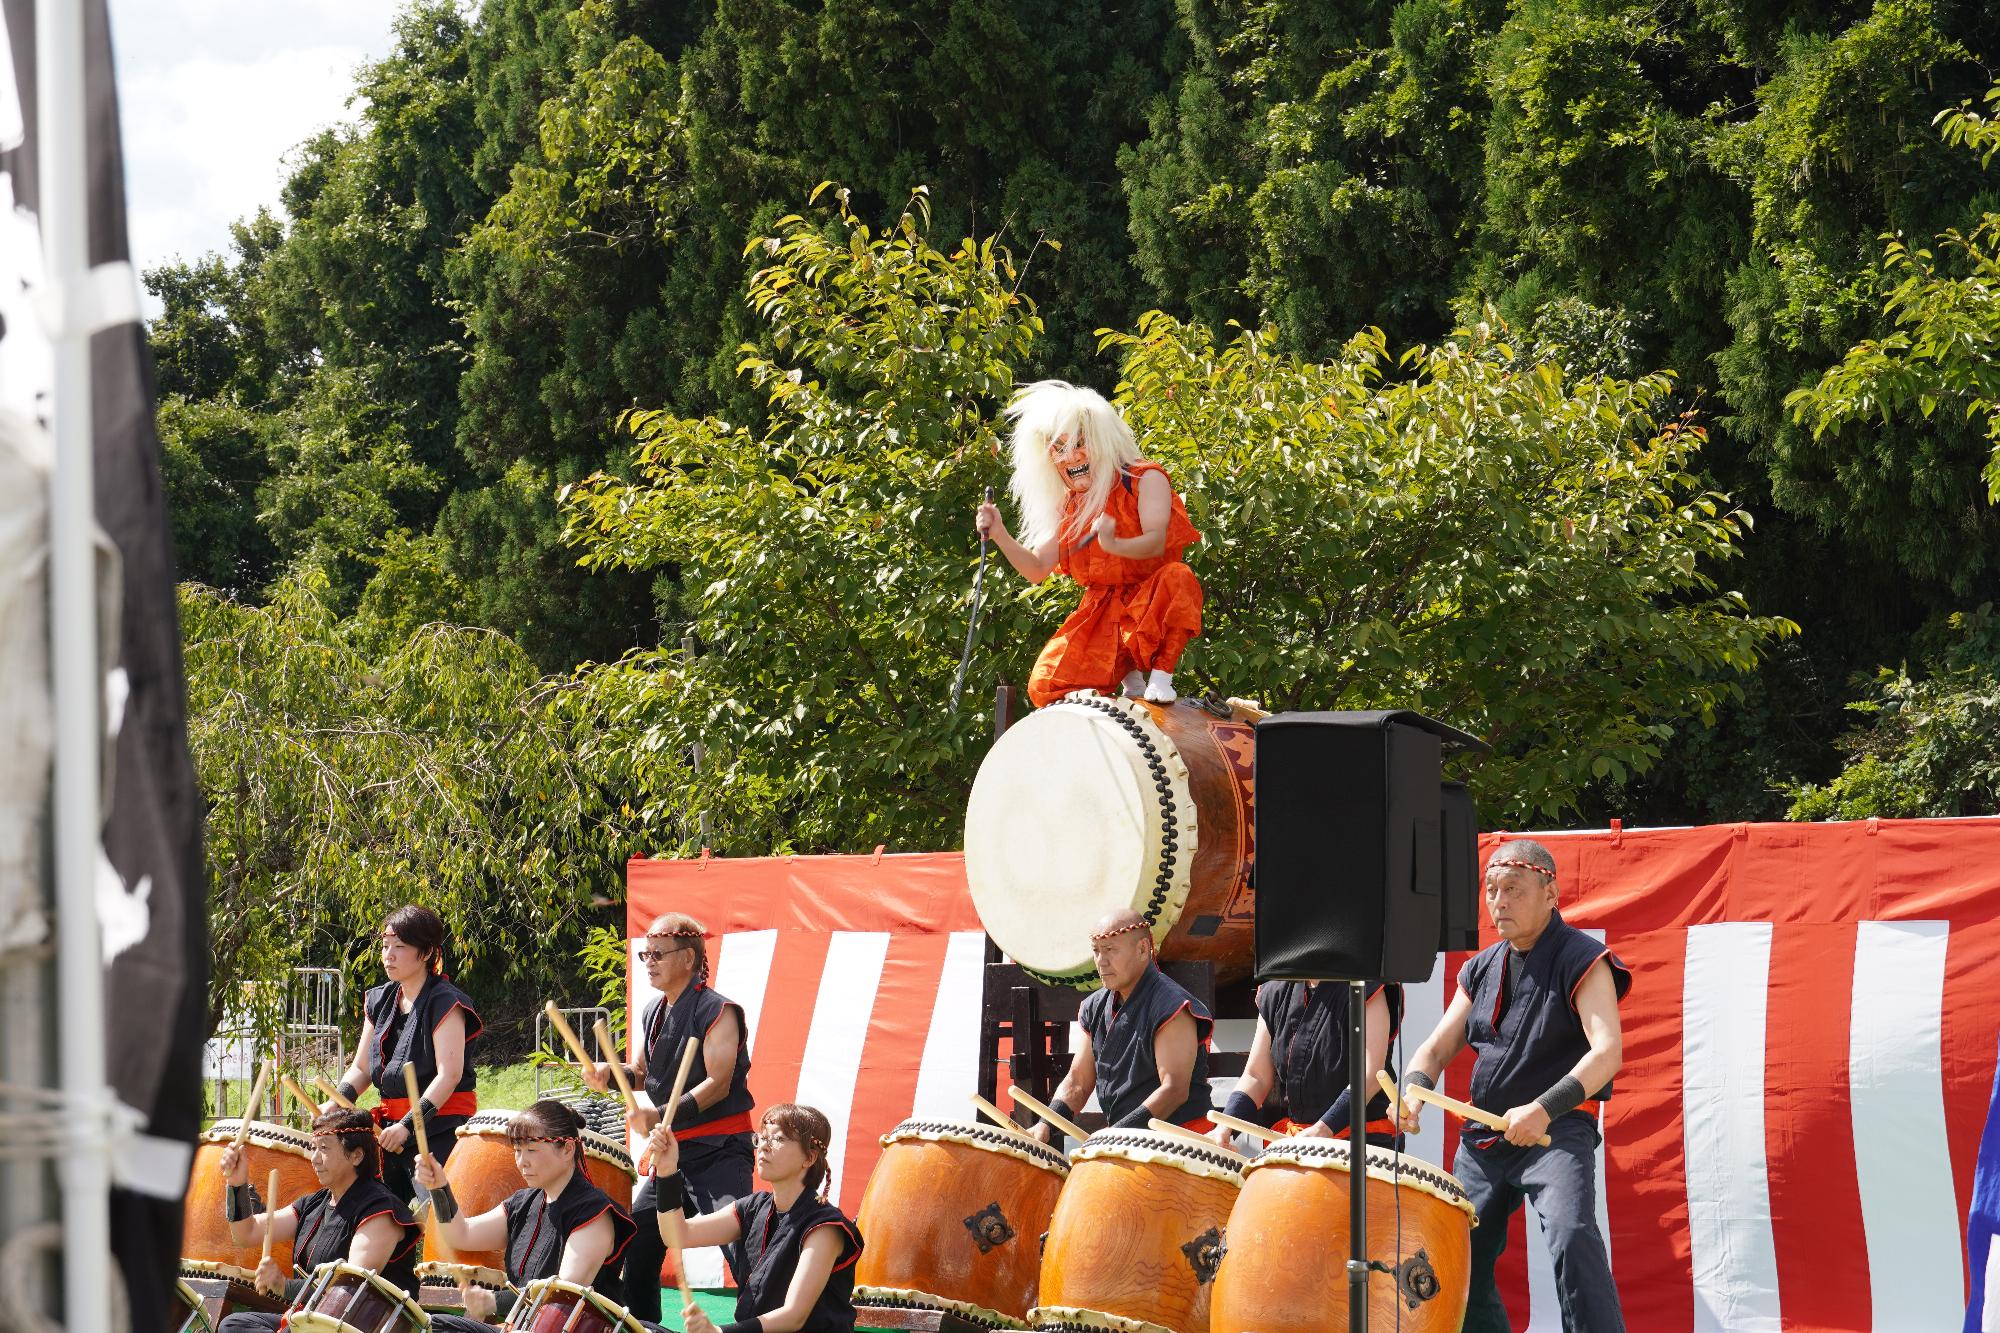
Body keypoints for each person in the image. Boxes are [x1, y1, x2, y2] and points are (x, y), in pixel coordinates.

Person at [1395, 839, 1630, 1333]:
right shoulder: (1481, 967)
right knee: (1460, 1256)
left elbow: (1607, 1052)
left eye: (1513, 890)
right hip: (1484, 1141)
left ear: (1551, 894)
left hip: (1556, 1132)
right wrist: (1414, 1089)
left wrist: (1544, 1109)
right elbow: (1434, 1050)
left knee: (1571, 1234)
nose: (1499, 902)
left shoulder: (1583, 958)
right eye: (1492, 890)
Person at [975, 380, 1203, 706]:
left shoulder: (1145, 479)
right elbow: (1038, 568)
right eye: (1059, 448)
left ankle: (1161, 677)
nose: (1071, 457)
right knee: (1044, 684)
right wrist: (999, 533)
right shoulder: (1069, 506)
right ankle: (1129, 682)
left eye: (1080, 443)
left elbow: (1154, 544)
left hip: (1153, 598)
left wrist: (1114, 543)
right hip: (1104, 614)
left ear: (1103, 440)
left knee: (1180, 578)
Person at [583, 912, 755, 1319]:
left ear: (689, 959)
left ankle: (766, 1322)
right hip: (671, 1155)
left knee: (739, 1244)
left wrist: (659, 1113)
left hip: (719, 1152)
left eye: (659, 954)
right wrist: (609, 1075)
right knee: (639, 1242)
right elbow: (642, 1074)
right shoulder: (653, 1012)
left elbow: (718, 1083)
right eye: (646, 954)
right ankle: (644, 1326)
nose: (649, 962)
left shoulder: (719, 1011)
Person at [416, 1099, 639, 1330]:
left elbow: (560, 1295)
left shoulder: (594, 1214)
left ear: (568, 1149)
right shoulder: (522, 1203)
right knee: (432, 1325)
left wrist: (491, 1301)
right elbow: (460, 1235)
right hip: (521, 1327)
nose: (522, 1162)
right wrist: (439, 1187)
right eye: (518, 1151)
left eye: (531, 1150)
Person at [645, 1103, 863, 1333]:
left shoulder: (825, 1228)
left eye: (777, 1139)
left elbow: (794, 1316)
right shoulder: (754, 1207)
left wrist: (718, 1332)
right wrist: (667, 1171)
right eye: (762, 1138)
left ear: (809, 1157)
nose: (764, 1148)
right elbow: (677, 1234)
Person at [214, 1108, 419, 1331]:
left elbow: (348, 1289)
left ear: (356, 1155)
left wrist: (283, 1286)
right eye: (314, 1148)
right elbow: (247, 1233)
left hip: (359, 1325)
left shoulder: (380, 1211)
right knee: (235, 1325)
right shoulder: (314, 1204)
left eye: (324, 1149)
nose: (315, 1159)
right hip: (312, 1320)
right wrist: (236, 1184)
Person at [331, 904, 484, 1203]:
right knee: (372, 1211)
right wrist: (337, 1103)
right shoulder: (380, 999)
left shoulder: (447, 1002)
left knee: (439, 1215)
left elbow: (449, 1074)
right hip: (388, 1131)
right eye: (386, 946)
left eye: (399, 947)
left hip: (439, 1127)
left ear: (426, 953)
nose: (389, 955)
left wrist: (408, 1126)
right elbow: (362, 1068)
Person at [1030, 909, 1213, 1146]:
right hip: (1128, 1141)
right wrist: (1046, 1124)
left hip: (1182, 1138)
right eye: (1096, 951)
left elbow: (1174, 1090)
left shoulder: (1172, 1007)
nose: (1101, 961)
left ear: (1142, 949)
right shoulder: (1095, 1006)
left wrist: (1116, 1135)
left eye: (1110, 950)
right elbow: (1078, 1081)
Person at [1212, 979, 1403, 1150]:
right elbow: (1256, 1076)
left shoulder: (1366, 989)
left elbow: (1369, 1076)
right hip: (1300, 1142)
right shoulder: (1276, 991)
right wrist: (1225, 1127)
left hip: (1364, 1144)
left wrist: (1323, 1130)